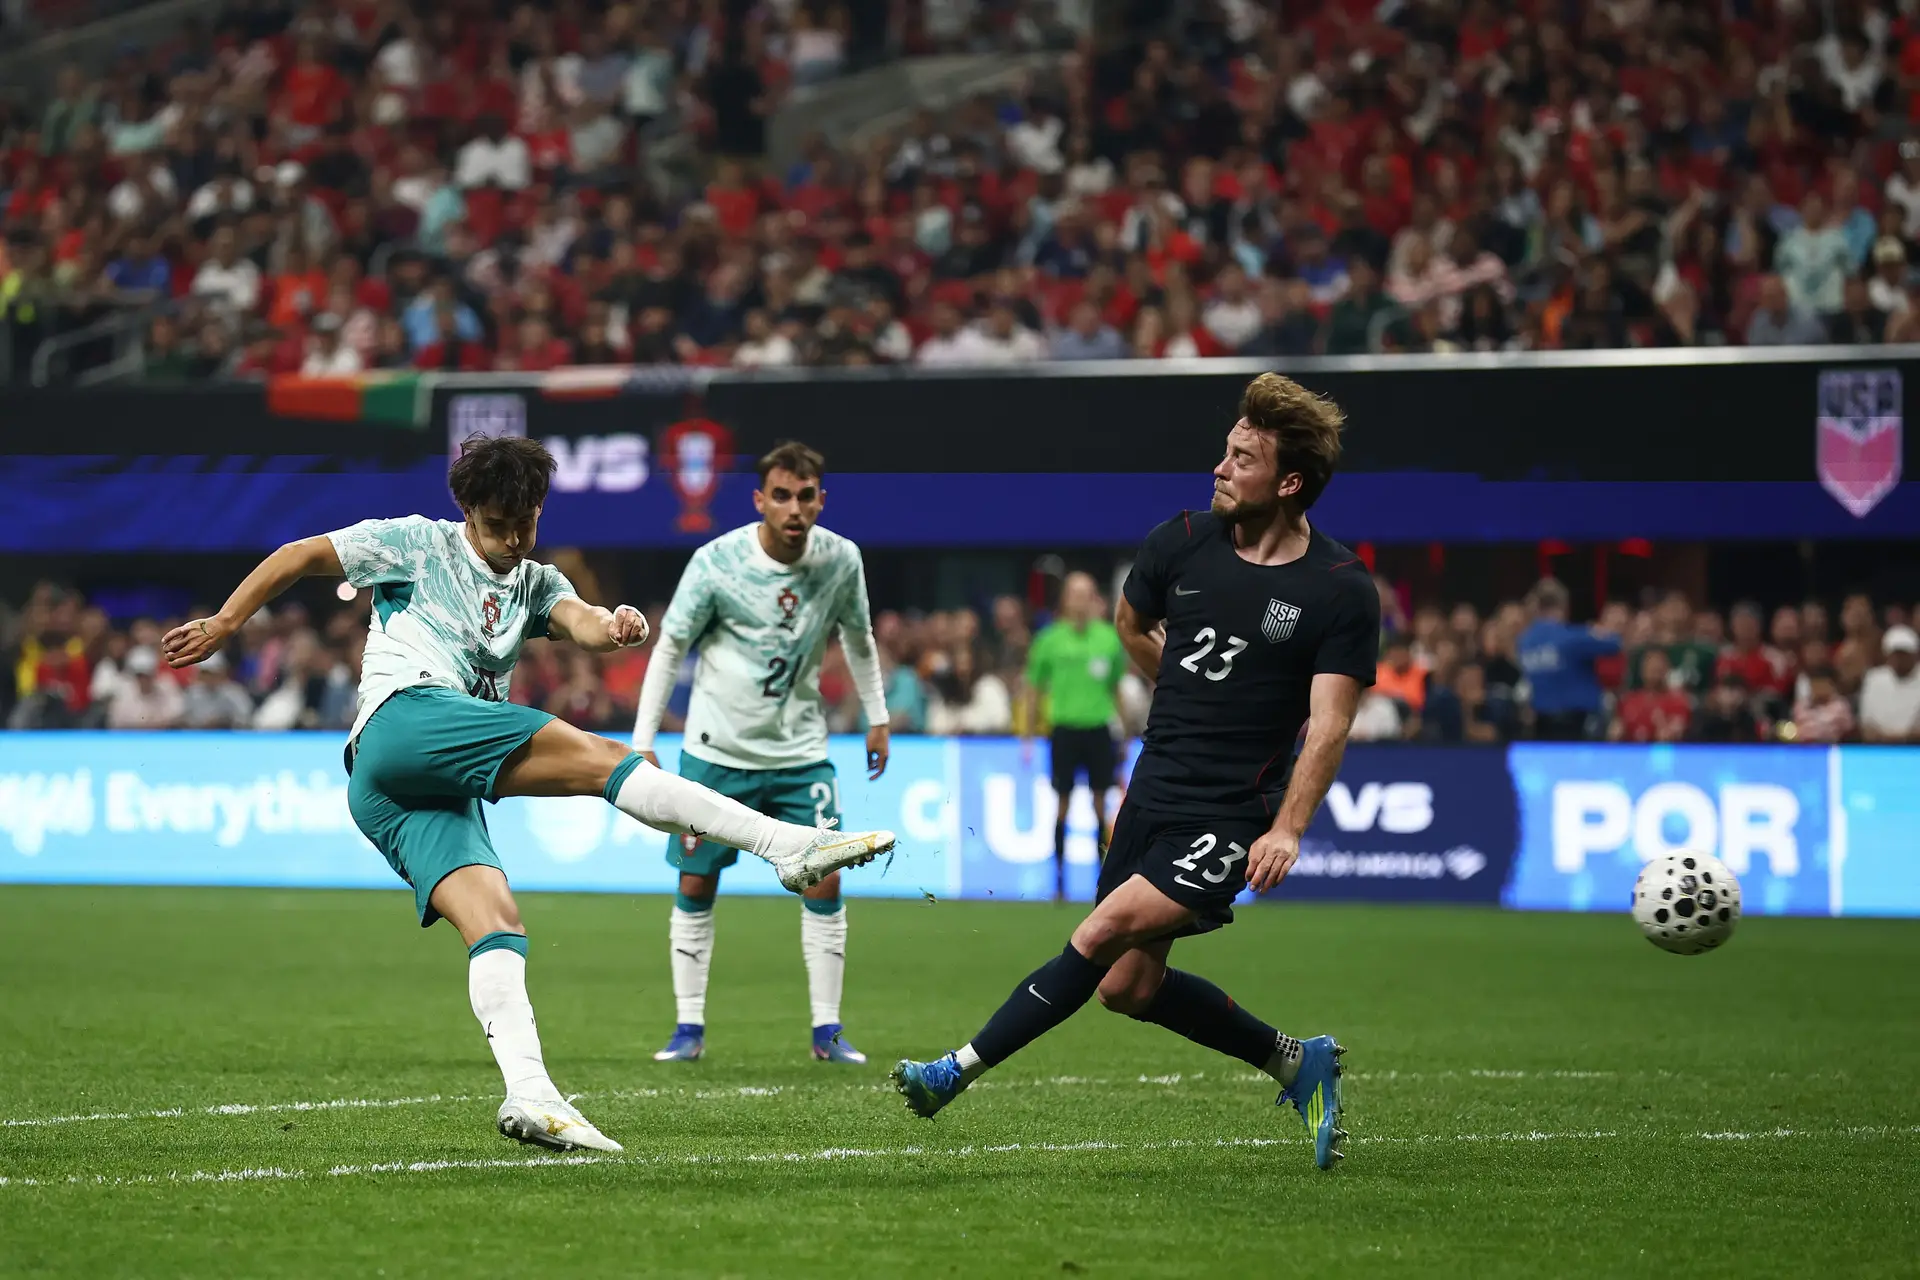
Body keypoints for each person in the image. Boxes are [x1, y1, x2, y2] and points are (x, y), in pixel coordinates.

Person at [160, 436, 894, 1155]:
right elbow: (300, 555)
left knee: (497, 923)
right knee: (601, 760)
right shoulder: (415, 543)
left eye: (527, 523)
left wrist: (616, 626)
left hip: (396, 794)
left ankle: (532, 1094)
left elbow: (582, 623)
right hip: (403, 722)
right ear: (466, 511)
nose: (513, 539)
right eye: (497, 525)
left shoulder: (537, 581)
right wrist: (227, 622)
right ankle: (787, 845)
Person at [890, 373, 1380, 1172]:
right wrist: (1187, 688)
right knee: (1126, 986)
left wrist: (1286, 826)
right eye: (1226, 450)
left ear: (1290, 483)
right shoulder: (1179, 540)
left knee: (1100, 931)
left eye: (1244, 458)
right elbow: (1131, 622)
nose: (1221, 467)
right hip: (1153, 789)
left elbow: (1329, 724)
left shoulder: (1338, 590)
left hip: (1232, 808)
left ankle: (952, 1072)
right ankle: (1298, 1061)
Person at [632, 442, 891, 1067]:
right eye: (782, 495)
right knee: (696, 878)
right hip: (716, 752)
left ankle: (827, 1032)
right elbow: (671, 647)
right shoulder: (716, 562)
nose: (794, 508)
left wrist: (877, 716)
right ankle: (688, 1028)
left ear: (821, 500)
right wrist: (643, 739)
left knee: (825, 872)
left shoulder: (841, 560)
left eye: (806, 496)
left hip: (802, 752)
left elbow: (858, 635)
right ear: (760, 500)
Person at [1023, 571, 1127, 902]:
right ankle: (1058, 880)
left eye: (1086, 593)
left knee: (1100, 805)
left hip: (1098, 729)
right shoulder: (1049, 640)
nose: (1080, 601)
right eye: (1074, 594)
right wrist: (1027, 735)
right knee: (1062, 805)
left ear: (1094, 598)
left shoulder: (1108, 640)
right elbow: (1033, 690)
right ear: (1065, 599)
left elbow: (1116, 689)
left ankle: (1102, 879)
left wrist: (1123, 731)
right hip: (1064, 730)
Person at [1517, 579, 1620, 740]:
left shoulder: (1525, 642)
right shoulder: (1572, 638)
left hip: (1543, 726)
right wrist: (1597, 629)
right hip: (1577, 725)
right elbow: (1614, 644)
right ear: (1564, 606)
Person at [1858, 625, 1920, 743]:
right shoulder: (1873, 678)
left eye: (1903, 654)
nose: (1899, 659)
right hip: (1879, 748)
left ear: (1914, 655)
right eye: (1895, 654)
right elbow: (1866, 725)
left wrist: (1902, 738)